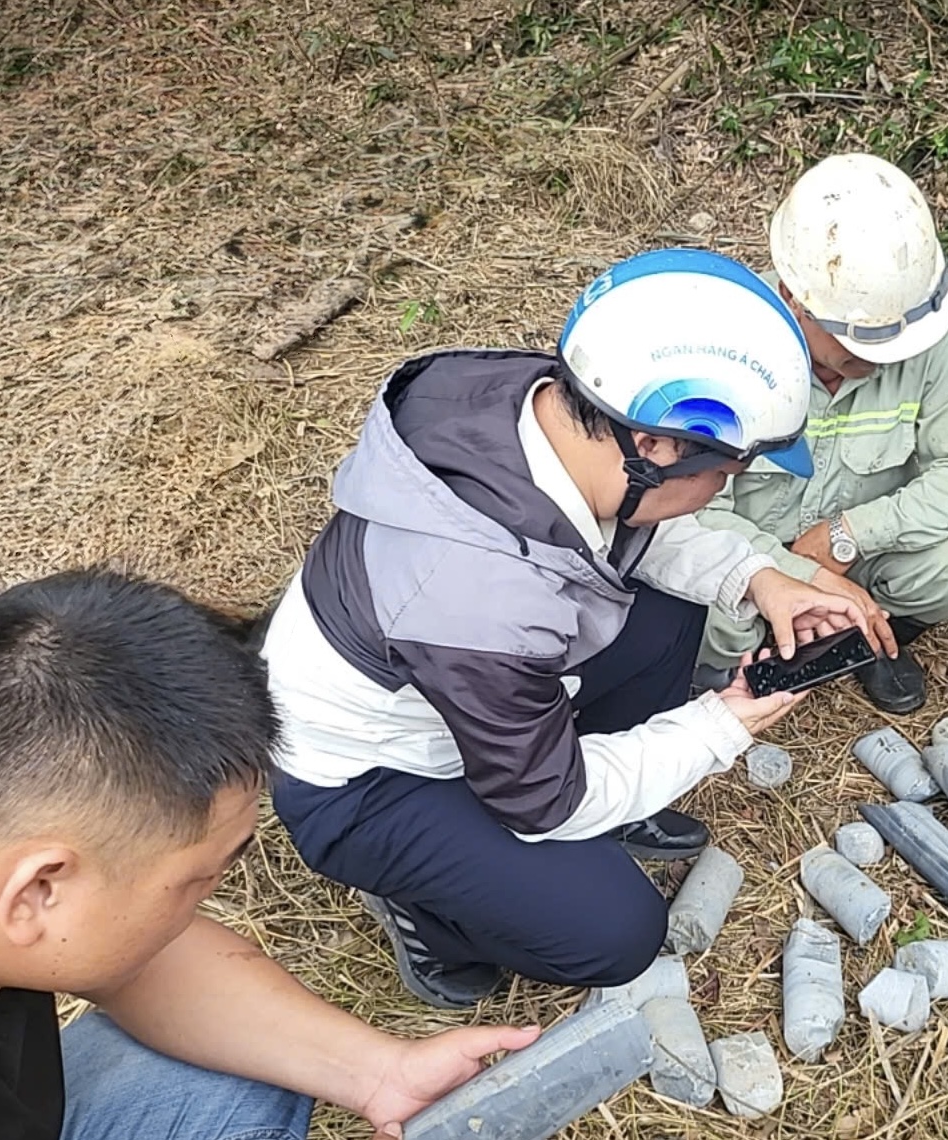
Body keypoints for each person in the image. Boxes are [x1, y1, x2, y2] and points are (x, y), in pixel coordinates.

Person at [262, 249, 881, 1010]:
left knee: (670, 608)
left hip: (458, 685)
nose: (727, 487)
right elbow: (546, 802)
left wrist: (757, 577)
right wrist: (720, 724)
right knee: (615, 930)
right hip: (367, 781)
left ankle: (604, 807)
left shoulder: (555, 410)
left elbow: (621, 524)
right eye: (728, 471)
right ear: (655, 447)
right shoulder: (478, 601)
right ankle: (427, 912)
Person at [0, 569, 538, 1140]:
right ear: (38, 891)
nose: (202, 907)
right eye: (193, 884)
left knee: (239, 1074)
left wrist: (380, 1073)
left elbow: (144, 963)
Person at [695, 153, 948, 714]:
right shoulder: (726, 342)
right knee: (709, 618)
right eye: (861, 341)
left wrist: (851, 535)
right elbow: (694, 514)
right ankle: (738, 665)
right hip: (750, 557)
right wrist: (796, 573)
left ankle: (860, 636)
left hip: (859, 559)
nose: (884, 357)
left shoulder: (929, 332)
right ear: (793, 297)